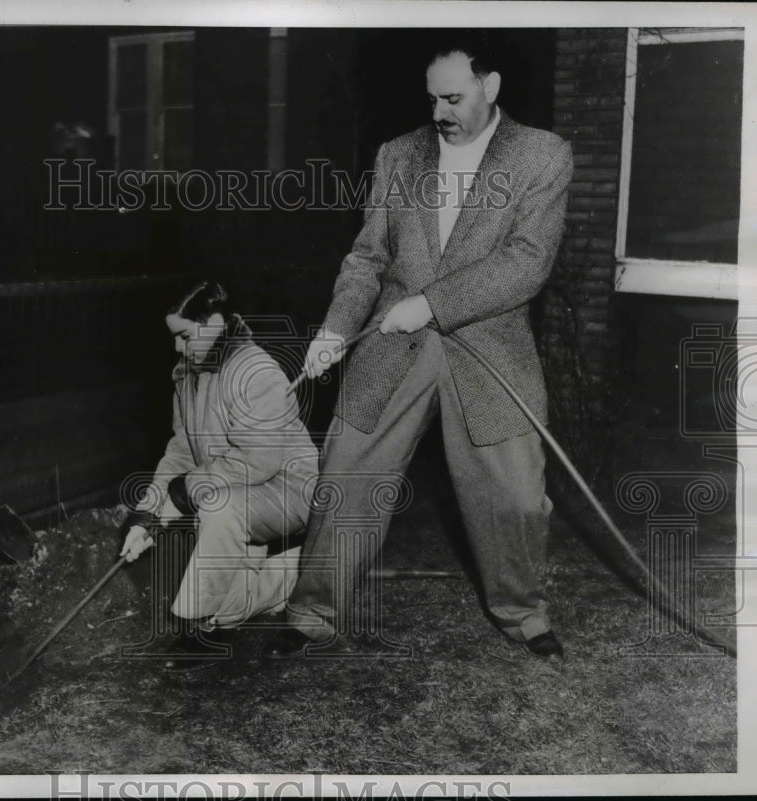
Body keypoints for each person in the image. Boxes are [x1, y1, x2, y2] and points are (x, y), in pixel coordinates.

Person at [265, 36, 574, 660]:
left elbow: (527, 262)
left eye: (454, 97)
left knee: (514, 494)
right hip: (390, 345)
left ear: (491, 88)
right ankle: (312, 611)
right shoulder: (398, 155)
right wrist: (333, 329)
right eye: (432, 98)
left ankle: (522, 613)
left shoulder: (542, 155)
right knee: (347, 472)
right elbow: (367, 258)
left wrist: (432, 305)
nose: (439, 112)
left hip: (487, 345)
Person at [120, 281, 319, 655]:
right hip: (241, 487)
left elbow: (258, 461)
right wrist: (147, 514)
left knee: (217, 506)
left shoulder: (255, 370)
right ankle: (291, 575)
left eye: (184, 336)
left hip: (292, 487)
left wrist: (184, 492)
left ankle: (201, 629)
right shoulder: (189, 373)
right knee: (231, 597)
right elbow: (181, 450)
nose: (177, 348)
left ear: (213, 321)